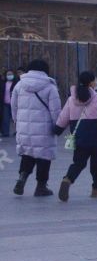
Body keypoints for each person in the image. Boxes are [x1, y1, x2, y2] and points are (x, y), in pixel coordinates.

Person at [54, 71, 97, 201]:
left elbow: (63, 117)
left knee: (78, 163)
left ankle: (68, 179)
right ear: (91, 83)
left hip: (80, 138)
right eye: (95, 80)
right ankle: (96, 189)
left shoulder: (71, 99)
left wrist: (57, 130)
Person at [11, 60, 62, 196]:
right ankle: (41, 186)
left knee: (27, 154)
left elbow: (13, 105)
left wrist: (17, 121)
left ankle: (22, 177)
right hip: (44, 129)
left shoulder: (19, 85)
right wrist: (58, 125)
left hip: (24, 128)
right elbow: (55, 110)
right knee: (44, 157)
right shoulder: (50, 87)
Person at [1, 69, 19, 137]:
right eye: (8, 74)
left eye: (11, 74)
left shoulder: (16, 83)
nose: (9, 75)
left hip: (14, 104)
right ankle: (5, 133)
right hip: (5, 103)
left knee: (16, 118)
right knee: (5, 119)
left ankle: (18, 131)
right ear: (6, 75)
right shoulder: (3, 83)